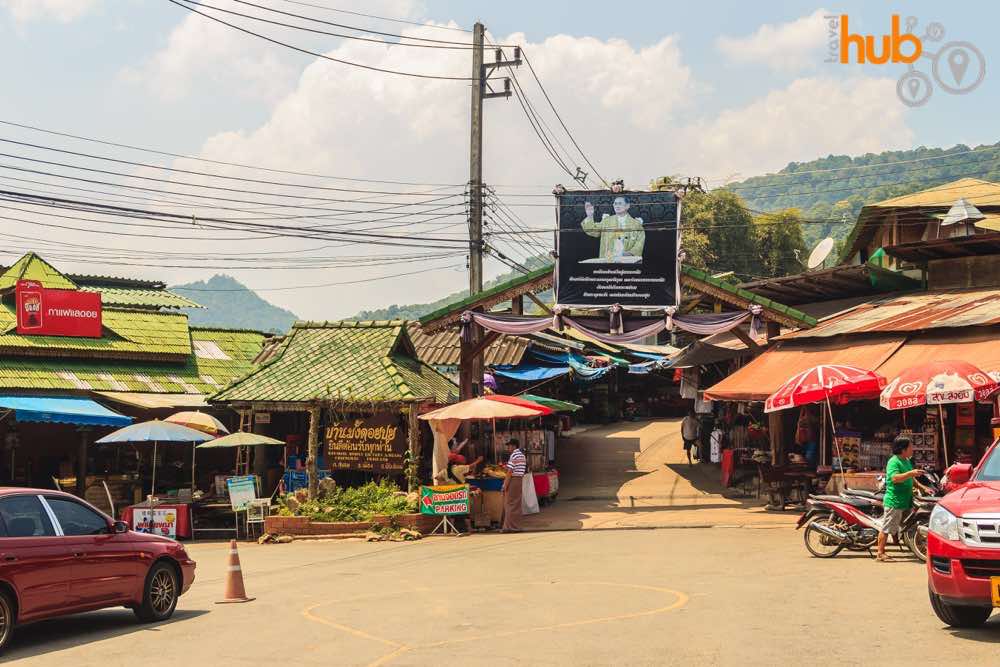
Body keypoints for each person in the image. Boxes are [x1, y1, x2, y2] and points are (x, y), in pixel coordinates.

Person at [875, 436, 931, 562]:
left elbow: (912, 479)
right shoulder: (893, 462)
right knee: (887, 527)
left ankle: (902, 543)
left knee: (907, 523)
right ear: (903, 449)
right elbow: (895, 478)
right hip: (895, 500)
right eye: (910, 447)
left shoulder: (906, 460)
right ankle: (880, 553)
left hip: (906, 500)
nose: (913, 449)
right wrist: (911, 473)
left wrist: (923, 488)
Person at [580, 197, 645, 262]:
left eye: (620, 203)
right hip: (608, 259)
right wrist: (590, 216)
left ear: (627, 206)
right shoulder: (607, 221)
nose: (617, 206)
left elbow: (640, 243)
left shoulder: (636, 224)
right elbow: (593, 231)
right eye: (615, 204)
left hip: (628, 260)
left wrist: (630, 253)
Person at [501, 438, 526, 533]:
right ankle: (515, 526)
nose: (508, 448)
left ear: (514, 446)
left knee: (509, 504)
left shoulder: (514, 455)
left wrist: (505, 485)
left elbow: (509, 472)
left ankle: (509, 527)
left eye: (510, 446)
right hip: (519, 480)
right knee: (516, 504)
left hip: (513, 480)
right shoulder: (522, 455)